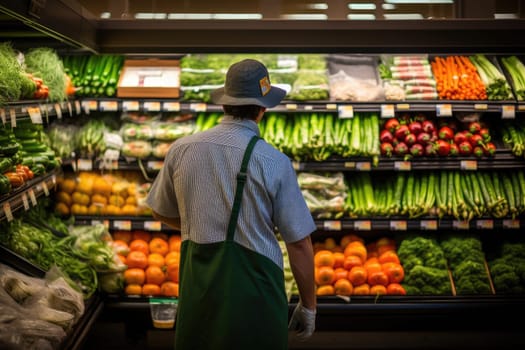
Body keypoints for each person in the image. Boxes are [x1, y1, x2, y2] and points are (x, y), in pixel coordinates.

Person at [146, 58, 317, 349]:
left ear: (224, 104)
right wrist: (308, 306)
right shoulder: (273, 161)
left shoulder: (182, 150)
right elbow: (299, 243)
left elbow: (160, 209)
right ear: (262, 110)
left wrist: (198, 222)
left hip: (199, 289)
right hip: (257, 293)